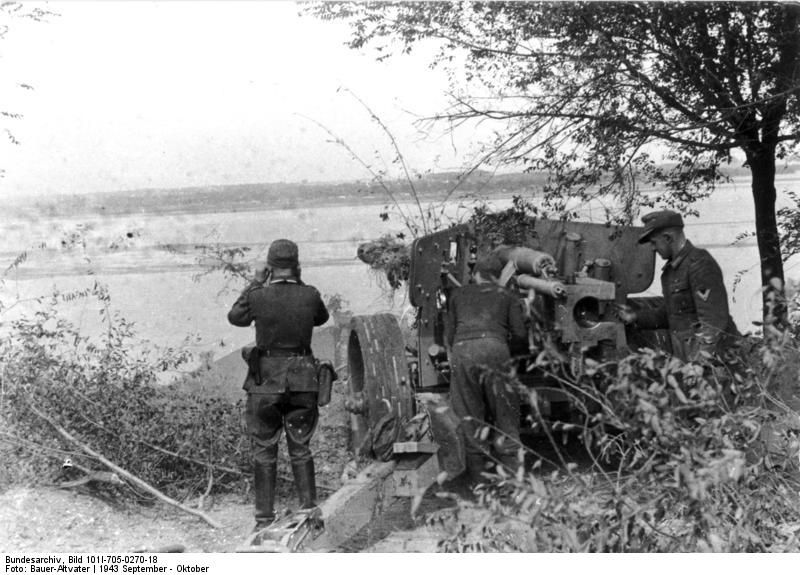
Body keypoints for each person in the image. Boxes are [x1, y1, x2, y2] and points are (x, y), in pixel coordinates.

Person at [228, 238, 329, 530]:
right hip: (302, 381)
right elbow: (321, 317)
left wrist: (254, 282)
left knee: (264, 449)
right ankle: (309, 511)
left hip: (265, 384)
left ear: (269, 266)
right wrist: (299, 282)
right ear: (297, 266)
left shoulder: (258, 295)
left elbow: (235, 317)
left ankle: (263, 520)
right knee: (300, 447)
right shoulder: (310, 294)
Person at [447, 252, 528, 484]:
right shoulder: (507, 295)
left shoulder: (457, 294)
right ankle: (514, 483)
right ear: (498, 276)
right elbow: (521, 335)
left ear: (475, 274)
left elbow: (449, 335)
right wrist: (505, 350)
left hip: (463, 350)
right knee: (506, 416)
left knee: (470, 418)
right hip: (495, 349)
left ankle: (479, 483)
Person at [617, 210, 739, 362]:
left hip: (716, 360)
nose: (653, 249)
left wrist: (700, 364)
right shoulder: (671, 271)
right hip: (688, 357)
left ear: (668, 238)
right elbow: (670, 314)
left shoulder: (699, 264)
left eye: (654, 242)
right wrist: (635, 317)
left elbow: (713, 321)